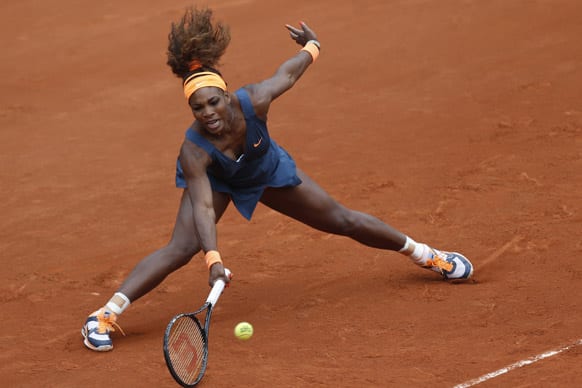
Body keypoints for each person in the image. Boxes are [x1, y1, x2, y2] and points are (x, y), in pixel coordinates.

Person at [82, 7, 473, 352]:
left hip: (266, 169)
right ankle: (103, 315)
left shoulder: (255, 99)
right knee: (180, 248)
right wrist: (213, 260)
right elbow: (202, 204)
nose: (207, 113)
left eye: (213, 101)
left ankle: (428, 256)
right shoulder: (195, 150)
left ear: (226, 95)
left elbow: (288, 74)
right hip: (218, 182)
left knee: (342, 220)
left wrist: (312, 47)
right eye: (197, 108)